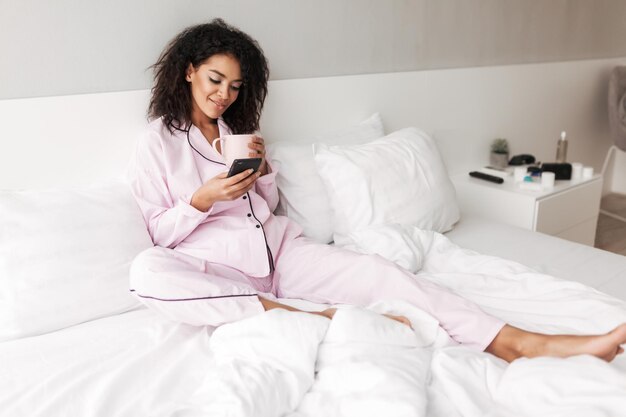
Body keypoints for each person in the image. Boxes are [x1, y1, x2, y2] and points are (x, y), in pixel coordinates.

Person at [127, 18, 626, 363]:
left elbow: (267, 208)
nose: (225, 95)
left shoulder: (237, 132)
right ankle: (304, 315)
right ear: (189, 70)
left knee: (390, 277)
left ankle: (521, 343)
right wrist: (203, 198)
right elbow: (159, 234)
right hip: (217, 268)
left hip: (283, 254)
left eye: (236, 87)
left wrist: (262, 171)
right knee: (146, 273)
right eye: (216, 80)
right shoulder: (157, 143)